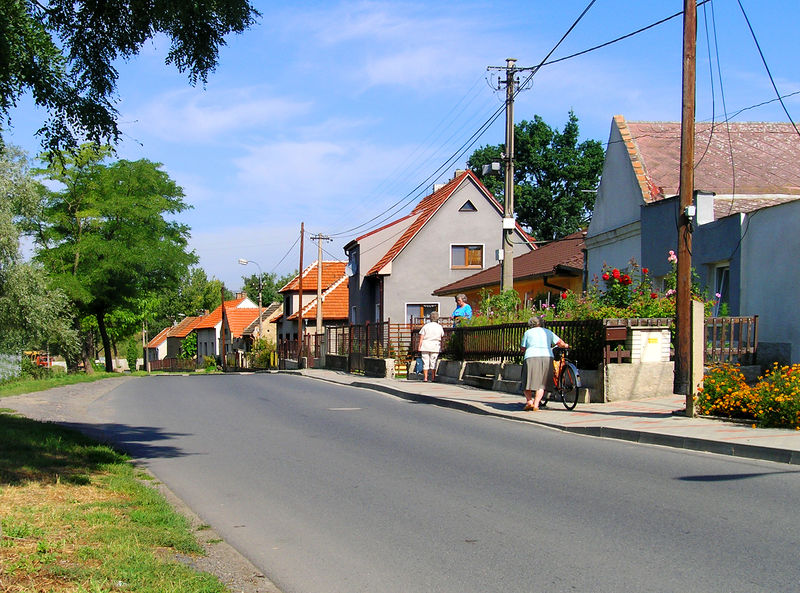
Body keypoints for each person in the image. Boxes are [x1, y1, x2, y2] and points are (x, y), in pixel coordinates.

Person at [520, 316, 569, 411]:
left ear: (531, 324)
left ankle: (529, 402)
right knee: (542, 383)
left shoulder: (527, 333)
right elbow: (560, 342)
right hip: (546, 357)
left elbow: (523, 347)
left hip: (531, 357)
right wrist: (566, 345)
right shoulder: (548, 332)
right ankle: (536, 404)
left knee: (526, 380)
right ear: (541, 323)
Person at [418, 311, 445, 382]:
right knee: (433, 362)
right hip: (435, 345)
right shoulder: (439, 327)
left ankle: (425, 378)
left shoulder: (426, 326)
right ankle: (433, 377)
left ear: (430, 318)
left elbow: (421, 337)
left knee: (425, 362)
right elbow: (442, 337)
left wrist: (419, 346)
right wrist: (441, 347)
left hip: (425, 345)